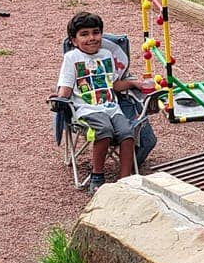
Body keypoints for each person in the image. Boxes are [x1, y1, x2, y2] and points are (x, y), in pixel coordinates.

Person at [57, 11, 146, 194]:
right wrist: (59, 99)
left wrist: (132, 83)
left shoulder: (106, 54)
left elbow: (112, 84)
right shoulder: (72, 58)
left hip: (111, 106)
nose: (91, 38)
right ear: (74, 40)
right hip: (86, 109)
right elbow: (65, 87)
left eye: (96, 32)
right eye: (84, 34)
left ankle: (125, 179)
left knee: (127, 133)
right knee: (104, 131)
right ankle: (97, 175)